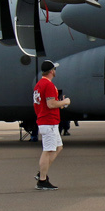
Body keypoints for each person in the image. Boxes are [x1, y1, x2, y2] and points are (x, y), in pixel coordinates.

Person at [32, 61, 72, 190]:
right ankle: (42, 180)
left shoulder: (39, 85)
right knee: (48, 150)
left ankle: (42, 173)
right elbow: (51, 104)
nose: (55, 71)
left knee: (58, 147)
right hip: (48, 122)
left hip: (47, 121)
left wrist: (59, 102)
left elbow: (46, 103)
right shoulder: (48, 85)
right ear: (51, 71)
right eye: (54, 69)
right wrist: (64, 102)